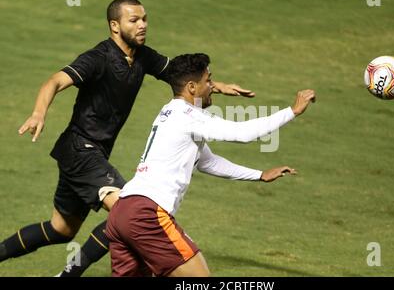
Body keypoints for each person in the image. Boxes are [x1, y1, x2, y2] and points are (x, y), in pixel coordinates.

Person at [0, 0, 254, 277]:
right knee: (127, 210)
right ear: (114, 26)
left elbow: (180, 77)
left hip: (85, 154)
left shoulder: (142, 55)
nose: (142, 25)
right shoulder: (98, 58)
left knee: (61, 230)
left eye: (144, 18)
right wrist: (39, 112)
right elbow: (56, 80)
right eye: (134, 20)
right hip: (80, 150)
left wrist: (217, 86)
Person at [105, 53, 316, 276]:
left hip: (122, 211)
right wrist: (292, 111)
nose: (212, 87)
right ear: (192, 87)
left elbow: (208, 162)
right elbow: (242, 133)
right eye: (208, 81)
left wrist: (259, 174)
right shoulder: (188, 115)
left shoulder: (171, 111)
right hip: (146, 215)